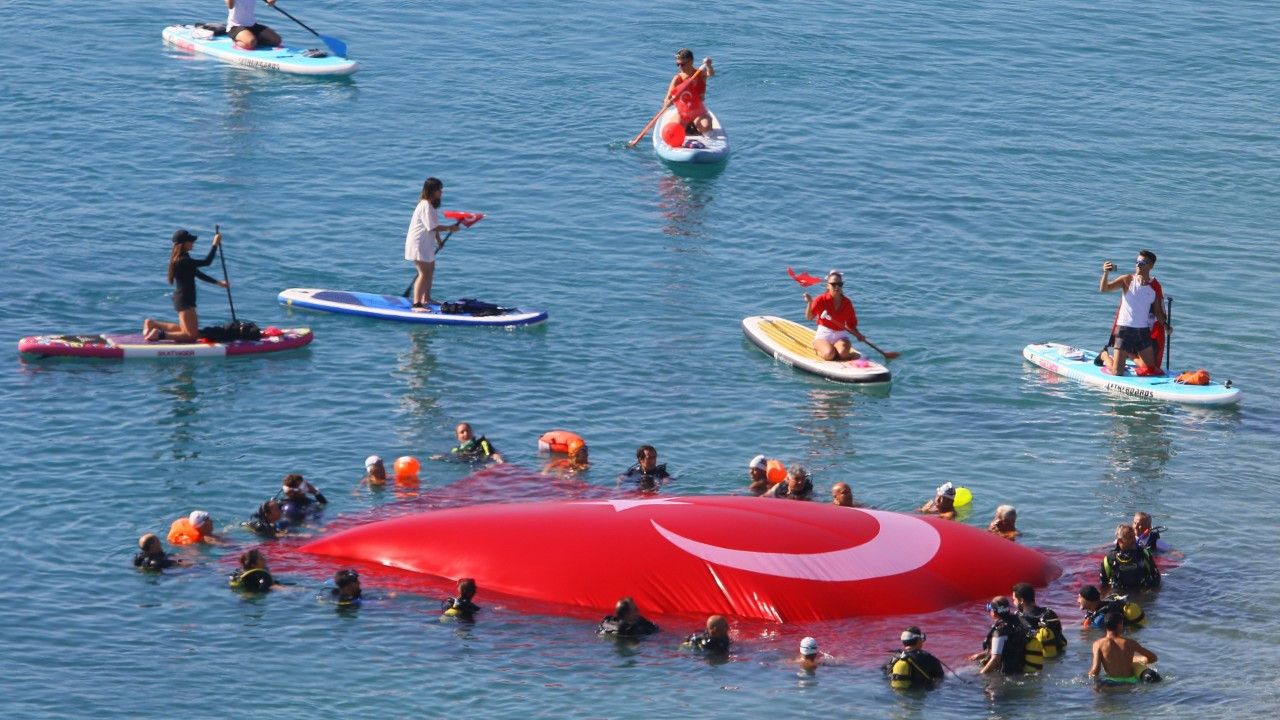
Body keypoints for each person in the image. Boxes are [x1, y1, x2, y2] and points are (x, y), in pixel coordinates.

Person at [143, 229, 229, 343]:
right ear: (183, 243)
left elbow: (198, 274)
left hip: (182, 299)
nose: (193, 243)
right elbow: (207, 262)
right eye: (190, 241)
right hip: (185, 300)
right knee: (192, 336)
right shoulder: (183, 261)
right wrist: (215, 244)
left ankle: (153, 324)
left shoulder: (181, 259)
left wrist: (217, 283)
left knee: (186, 331)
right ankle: (159, 335)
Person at [1097, 251, 1171, 377]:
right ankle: (1104, 355)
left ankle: (1129, 353)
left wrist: (1165, 325)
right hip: (1124, 330)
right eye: (1136, 262)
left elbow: (1158, 311)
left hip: (1142, 331)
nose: (1138, 265)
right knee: (1117, 372)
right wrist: (1105, 273)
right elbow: (1104, 289)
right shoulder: (1127, 280)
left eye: (1142, 263)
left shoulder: (1154, 287)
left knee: (1150, 369)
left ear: (1151, 266)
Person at [405, 178, 462, 311]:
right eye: (438, 189)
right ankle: (417, 304)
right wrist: (450, 228)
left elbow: (432, 226)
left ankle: (426, 298)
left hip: (426, 243)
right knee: (423, 273)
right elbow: (431, 227)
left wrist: (439, 241)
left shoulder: (431, 206)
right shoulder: (425, 205)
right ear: (431, 191)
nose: (441, 192)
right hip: (418, 243)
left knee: (430, 270)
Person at [802, 270, 866, 361]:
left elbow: (851, 324)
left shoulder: (847, 303)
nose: (837, 287)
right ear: (828, 285)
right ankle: (818, 347)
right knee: (829, 355)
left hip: (840, 335)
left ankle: (833, 349)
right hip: (824, 334)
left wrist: (859, 335)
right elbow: (809, 317)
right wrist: (810, 303)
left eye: (840, 284)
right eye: (833, 284)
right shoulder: (820, 299)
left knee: (843, 354)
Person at [971, 596, 1041, 675]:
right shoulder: (1018, 623)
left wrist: (980, 675)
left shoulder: (1000, 632)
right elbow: (1008, 647)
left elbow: (995, 660)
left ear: (993, 613)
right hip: (1020, 668)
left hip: (1006, 675)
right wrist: (979, 655)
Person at [1089, 612, 1161, 684]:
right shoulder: (1130, 643)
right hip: (1131, 682)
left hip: (1111, 682)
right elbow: (1153, 658)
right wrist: (1141, 661)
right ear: (1119, 625)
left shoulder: (1098, 644)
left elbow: (1095, 670)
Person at [663, 49, 715, 135]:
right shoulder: (677, 79)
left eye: (682, 64)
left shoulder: (700, 73)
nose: (680, 67)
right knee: (675, 131)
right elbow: (667, 99)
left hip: (699, 112)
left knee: (706, 128)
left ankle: (696, 126)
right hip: (683, 112)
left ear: (691, 62)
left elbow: (711, 73)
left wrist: (708, 65)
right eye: (678, 64)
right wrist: (668, 102)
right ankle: (686, 126)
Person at [1012, 582, 1066, 659]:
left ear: (1021, 600)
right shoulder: (1049, 613)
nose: (1014, 603)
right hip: (1059, 655)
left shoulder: (1018, 618)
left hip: (1036, 662)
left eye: (1014, 600)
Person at [1101, 523, 1161, 590]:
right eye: (1130, 537)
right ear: (1120, 540)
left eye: (1134, 536)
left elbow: (1156, 576)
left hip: (1141, 593)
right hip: (1120, 594)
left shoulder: (1142, 553)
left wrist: (1150, 591)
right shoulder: (1110, 558)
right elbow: (1103, 583)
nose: (1134, 540)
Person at [1078, 584, 1146, 629]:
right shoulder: (1099, 607)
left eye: (1080, 597)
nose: (1078, 600)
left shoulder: (1100, 620)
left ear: (1089, 600)